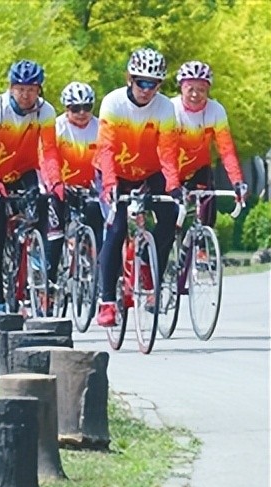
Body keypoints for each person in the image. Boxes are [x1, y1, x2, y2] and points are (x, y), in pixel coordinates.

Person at [94, 47, 181, 327]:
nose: (147, 89)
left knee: (170, 215)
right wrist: (109, 184)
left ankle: (146, 260)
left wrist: (174, 184)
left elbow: (167, 151)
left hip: (149, 171)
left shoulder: (165, 107)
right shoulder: (113, 103)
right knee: (117, 228)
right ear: (129, 79)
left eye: (153, 83)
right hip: (114, 172)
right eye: (141, 82)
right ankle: (107, 300)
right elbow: (106, 148)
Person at [0, 59, 63, 313]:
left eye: (32, 90)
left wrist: (55, 181)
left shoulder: (45, 112)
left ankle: (38, 268)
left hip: (24, 171)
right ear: (11, 88)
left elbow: (50, 151)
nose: (26, 95)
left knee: (44, 206)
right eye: (21, 89)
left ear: (39, 90)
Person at [171, 60, 246, 228]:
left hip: (199, 168)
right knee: (169, 220)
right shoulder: (171, 108)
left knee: (207, 209)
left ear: (208, 90)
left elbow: (226, 150)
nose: (195, 94)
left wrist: (237, 182)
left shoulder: (216, 111)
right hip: (171, 168)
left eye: (201, 89)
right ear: (181, 88)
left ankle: (201, 248)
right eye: (190, 88)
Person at [53, 81, 104, 265]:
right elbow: (47, 158)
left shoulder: (100, 127)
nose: (82, 113)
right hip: (62, 185)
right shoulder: (57, 127)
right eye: (75, 108)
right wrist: (54, 183)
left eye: (87, 107)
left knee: (99, 220)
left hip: (91, 187)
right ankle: (49, 280)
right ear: (67, 109)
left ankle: (98, 266)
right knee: (54, 231)